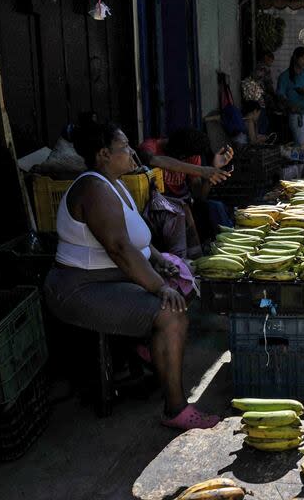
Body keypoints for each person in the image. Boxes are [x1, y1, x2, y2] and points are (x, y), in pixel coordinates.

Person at [43, 120, 220, 430]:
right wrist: (158, 286)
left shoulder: (115, 182)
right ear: (102, 154)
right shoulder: (92, 188)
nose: (131, 153)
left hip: (110, 278)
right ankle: (175, 408)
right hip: (79, 289)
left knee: (184, 279)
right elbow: (120, 248)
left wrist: (157, 260)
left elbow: (138, 239)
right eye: (123, 148)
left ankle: (150, 348)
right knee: (171, 311)